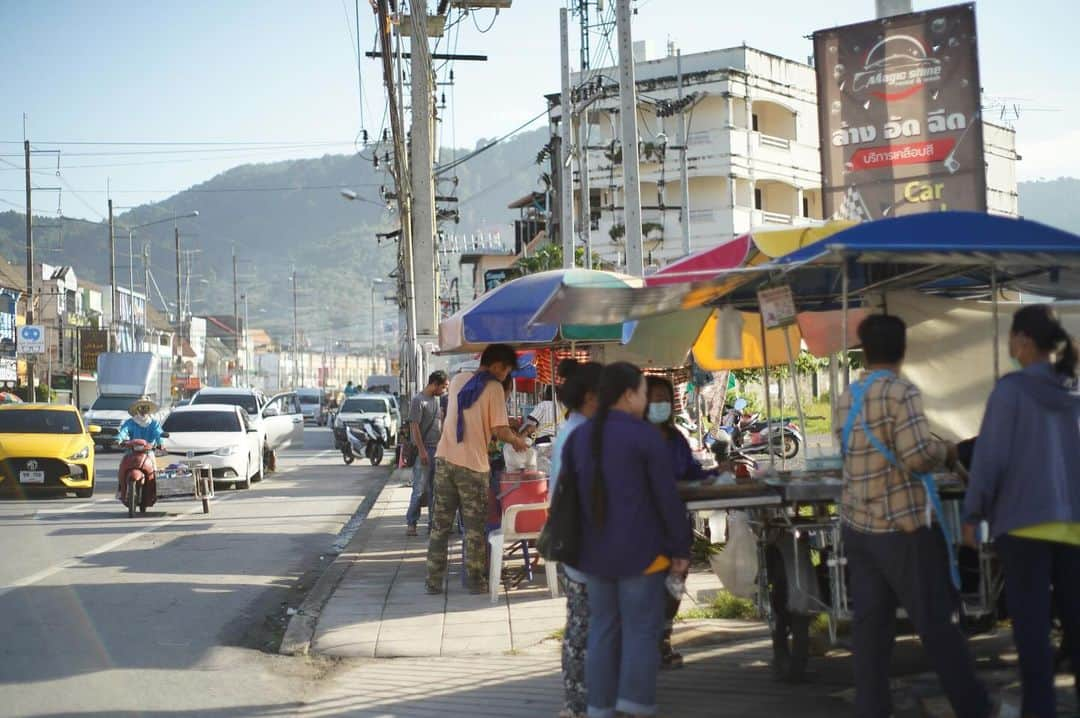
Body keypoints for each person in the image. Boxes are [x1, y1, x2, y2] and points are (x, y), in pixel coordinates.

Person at [835, 315, 990, 718]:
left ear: (863, 350)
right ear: (903, 349)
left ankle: (873, 708)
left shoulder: (848, 395)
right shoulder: (901, 392)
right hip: (902, 526)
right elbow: (917, 454)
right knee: (938, 625)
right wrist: (949, 453)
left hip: (858, 526)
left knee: (870, 630)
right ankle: (973, 707)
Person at [964, 304, 1080, 718]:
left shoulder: (1011, 391)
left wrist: (972, 513)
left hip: (1023, 526)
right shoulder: (1073, 390)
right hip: (1074, 528)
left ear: (1024, 341)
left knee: (1032, 633)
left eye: (1012, 338)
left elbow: (989, 460)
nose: (1010, 346)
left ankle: (1041, 711)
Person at [563, 362, 692, 718]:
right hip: (642, 554)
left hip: (593, 555)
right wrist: (680, 549)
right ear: (628, 394)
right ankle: (634, 707)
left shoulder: (580, 435)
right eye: (642, 392)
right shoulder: (644, 436)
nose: (647, 400)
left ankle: (599, 709)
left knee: (603, 630)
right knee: (640, 631)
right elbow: (666, 498)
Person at [425, 344, 528, 595]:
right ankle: (475, 581)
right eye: (505, 370)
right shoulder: (493, 387)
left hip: (444, 459)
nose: (505, 375)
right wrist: (518, 441)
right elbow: (499, 430)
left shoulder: (460, 378)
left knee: (440, 525)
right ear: (495, 365)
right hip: (472, 466)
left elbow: (470, 417)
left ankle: (433, 582)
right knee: (474, 528)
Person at [644, 375, 711, 671]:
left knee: (673, 586)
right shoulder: (635, 439)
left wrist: (717, 473)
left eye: (665, 400)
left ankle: (663, 639)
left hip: (676, 530)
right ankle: (645, 643)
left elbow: (693, 471)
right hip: (645, 531)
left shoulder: (676, 439)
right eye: (654, 398)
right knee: (647, 588)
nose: (660, 404)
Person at [549, 360, 603, 718]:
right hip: (583, 543)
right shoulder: (581, 435)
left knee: (583, 626)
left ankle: (580, 702)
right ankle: (579, 705)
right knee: (584, 628)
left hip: (578, 540)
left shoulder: (576, 429)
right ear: (589, 396)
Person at [406, 370, 449, 537]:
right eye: (443, 386)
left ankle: (433, 524)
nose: (444, 390)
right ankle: (412, 522)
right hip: (423, 451)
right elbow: (414, 427)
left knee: (435, 489)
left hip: (437, 450)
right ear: (435, 384)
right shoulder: (418, 401)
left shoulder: (437, 401)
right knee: (419, 488)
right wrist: (422, 451)